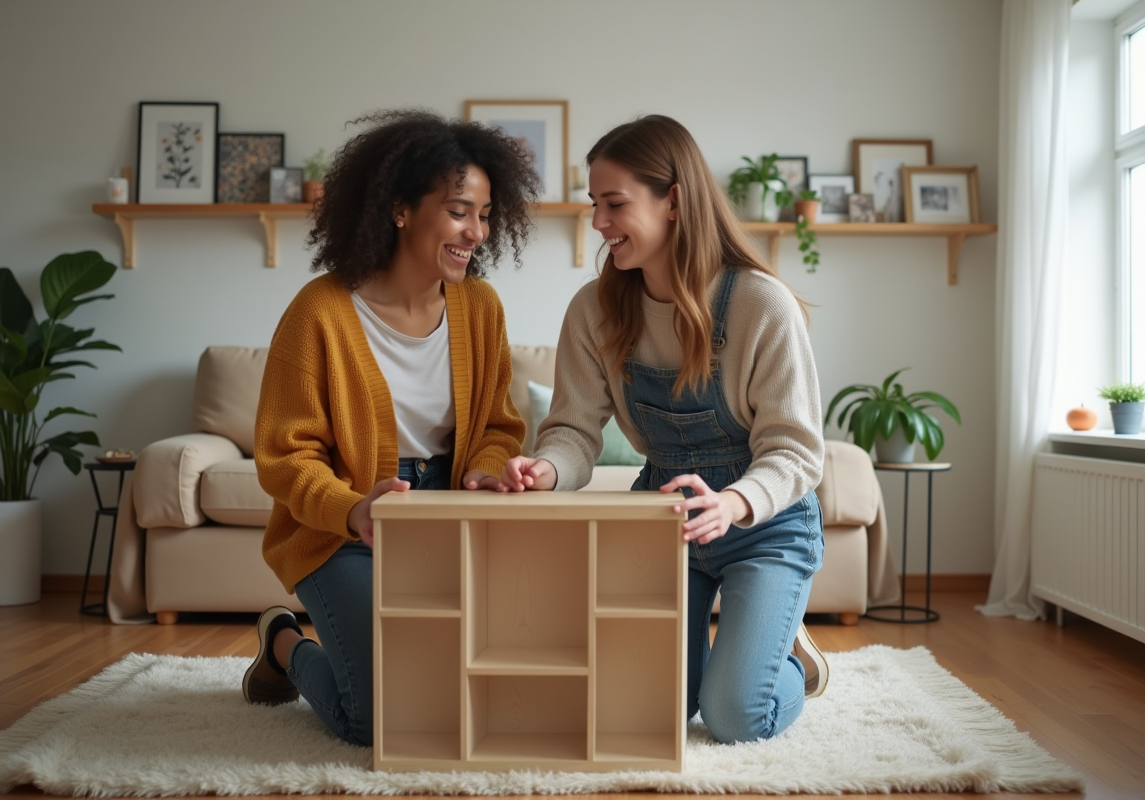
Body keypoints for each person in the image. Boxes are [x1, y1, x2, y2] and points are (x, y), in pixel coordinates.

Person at [501, 115, 827, 744]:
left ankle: (791, 661)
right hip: (663, 521)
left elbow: (796, 450)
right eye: (595, 204)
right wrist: (543, 470)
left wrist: (732, 503)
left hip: (764, 525)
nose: (598, 223)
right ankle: (739, 658)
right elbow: (572, 431)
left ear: (673, 200)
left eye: (615, 204)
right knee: (648, 711)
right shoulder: (593, 310)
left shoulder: (762, 304)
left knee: (735, 716)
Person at [241, 109, 541, 747]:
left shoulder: (481, 308)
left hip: (447, 518)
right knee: (379, 719)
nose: (477, 232)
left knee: (485, 690)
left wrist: (485, 469)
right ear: (401, 209)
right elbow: (281, 457)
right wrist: (353, 511)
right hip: (342, 531)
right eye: (460, 210)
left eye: (485, 215)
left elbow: (497, 423)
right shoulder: (320, 311)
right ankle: (284, 643)